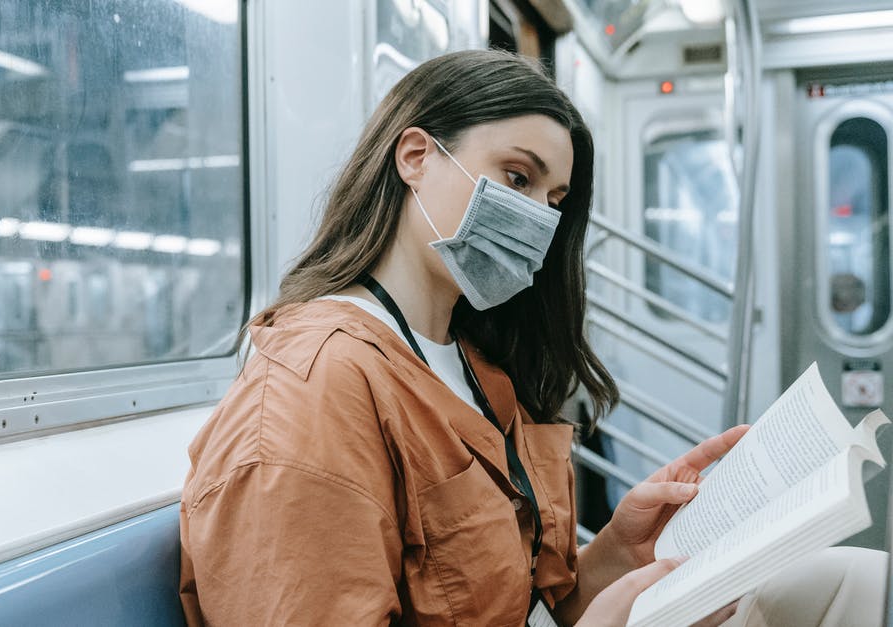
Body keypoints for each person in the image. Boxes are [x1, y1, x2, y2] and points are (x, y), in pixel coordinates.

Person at [177, 49, 881, 626]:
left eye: (554, 201)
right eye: (516, 176)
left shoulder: (477, 368)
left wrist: (617, 552)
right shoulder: (310, 393)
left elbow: (523, 610)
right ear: (415, 156)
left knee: (848, 578)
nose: (538, 219)